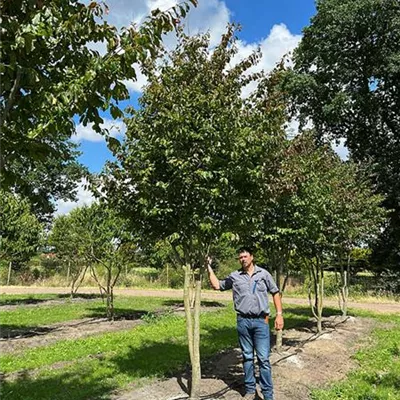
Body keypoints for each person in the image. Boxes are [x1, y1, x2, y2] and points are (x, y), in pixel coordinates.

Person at [207, 247, 284, 400]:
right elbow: (218, 285)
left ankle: (268, 394)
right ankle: (249, 390)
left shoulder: (263, 274)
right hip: (243, 321)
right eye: (240, 257)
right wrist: (208, 266)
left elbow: (275, 292)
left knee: (263, 359)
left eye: (245, 256)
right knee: (247, 356)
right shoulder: (235, 276)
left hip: (261, 321)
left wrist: (279, 315)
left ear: (252, 257)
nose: (243, 259)